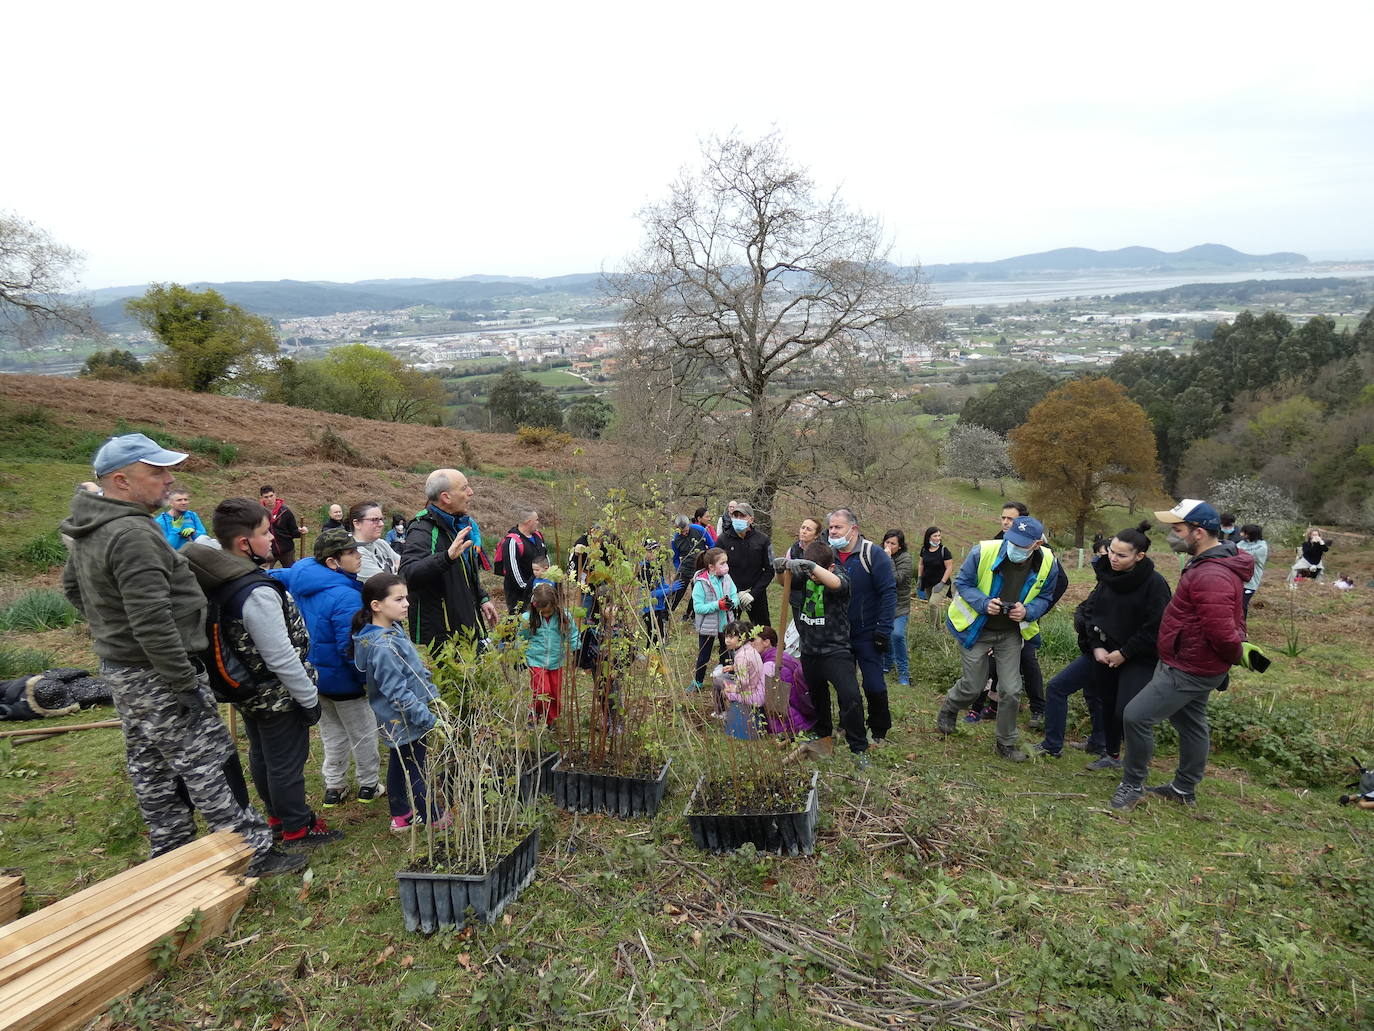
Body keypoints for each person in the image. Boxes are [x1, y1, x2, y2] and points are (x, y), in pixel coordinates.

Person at [60, 434, 302, 878]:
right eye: (156, 473)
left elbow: (75, 590)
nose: (169, 481)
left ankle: (172, 848)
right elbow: (152, 619)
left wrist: (111, 634)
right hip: (157, 670)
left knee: (149, 761)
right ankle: (250, 852)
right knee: (205, 758)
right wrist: (182, 681)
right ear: (121, 480)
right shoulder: (132, 533)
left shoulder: (88, 524)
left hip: (122, 667)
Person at [184, 500, 342, 849]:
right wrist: (308, 698)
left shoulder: (220, 575)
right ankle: (298, 828)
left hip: (248, 689)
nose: (272, 538)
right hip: (277, 693)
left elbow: (208, 543)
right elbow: (281, 655)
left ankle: (277, 817)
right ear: (244, 544)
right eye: (264, 532)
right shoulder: (255, 592)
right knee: (286, 761)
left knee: (263, 754)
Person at [1111, 499, 1254, 811]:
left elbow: (1221, 631)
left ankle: (1132, 785)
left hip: (1190, 666)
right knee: (1190, 722)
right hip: (1190, 658)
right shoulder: (1206, 564)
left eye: (1177, 530)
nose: (1172, 536)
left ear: (1198, 532)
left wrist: (1231, 656)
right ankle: (1184, 788)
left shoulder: (1211, 575)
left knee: (1136, 716)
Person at [1035, 521, 1171, 768]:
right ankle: (1103, 751)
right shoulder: (1108, 577)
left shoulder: (1155, 585)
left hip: (1138, 657)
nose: (1113, 558)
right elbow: (1091, 612)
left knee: (1124, 710)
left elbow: (1155, 627)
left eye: (1121, 555)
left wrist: (1124, 653)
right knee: (1082, 693)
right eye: (1111, 552)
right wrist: (1096, 645)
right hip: (1102, 652)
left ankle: (1127, 761)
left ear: (1139, 556)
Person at [935, 515, 1063, 762]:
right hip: (976, 628)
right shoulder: (982, 551)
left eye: (1022, 545)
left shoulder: (1049, 562)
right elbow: (963, 583)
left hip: (1010, 633)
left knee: (1011, 689)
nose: (1013, 547)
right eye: (1011, 541)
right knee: (973, 686)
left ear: (1036, 544)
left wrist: (1028, 611)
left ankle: (1005, 742)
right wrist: (984, 603)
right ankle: (950, 708)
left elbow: (1046, 597)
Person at [272, 528, 382, 808]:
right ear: (333, 562)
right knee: (363, 733)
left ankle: (334, 785)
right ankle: (369, 784)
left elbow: (273, 575)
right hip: (345, 681)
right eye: (351, 553)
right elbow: (351, 647)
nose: (359, 556)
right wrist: (365, 678)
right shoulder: (344, 596)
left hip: (315, 679)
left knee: (331, 734)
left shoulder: (302, 579)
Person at [352, 573, 450, 833]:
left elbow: (414, 672)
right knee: (416, 768)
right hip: (404, 718)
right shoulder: (383, 647)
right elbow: (398, 693)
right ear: (376, 606)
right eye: (398, 599)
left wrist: (432, 696)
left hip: (404, 716)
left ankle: (400, 815)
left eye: (406, 597)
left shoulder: (392, 629)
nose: (407, 603)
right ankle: (433, 816)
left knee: (399, 761)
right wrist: (427, 718)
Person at [776, 542, 869, 762]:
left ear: (831, 566)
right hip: (810, 650)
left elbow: (836, 584)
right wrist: (780, 570)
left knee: (850, 697)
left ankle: (859, 747)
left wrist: (813, 567)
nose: (813, 577)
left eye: (817, 571)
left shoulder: (840, 578)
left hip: (835, 651)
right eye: (810, 572)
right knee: (818, 695)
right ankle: (823, 731)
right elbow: (784, 583)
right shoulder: (806, 577)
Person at [397, 468, 499, 650]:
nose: (471, 492)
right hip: (445, 636)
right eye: (464, 488)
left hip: (466, 624)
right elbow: (407, 574)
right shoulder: (423, 530)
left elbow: (465, 571)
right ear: (446, 497)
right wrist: (446, 557)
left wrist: (482, 597)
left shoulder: (460, 524)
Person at [825, 509, 895, 746]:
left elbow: (888, 594)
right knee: (846, 686)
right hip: (838, 634)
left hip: (868, 632)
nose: (833, 532)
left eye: (838, 527)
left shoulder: (873, 555)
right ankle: (848, 725)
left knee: (873, 684)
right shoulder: (828, 556)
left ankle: (879, 729)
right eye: (831, 527)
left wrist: (883, 630)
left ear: (853, 529)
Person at [520, 582, 580, 724]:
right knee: (542, 690)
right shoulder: (528, 619)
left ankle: (552, 720)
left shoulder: (563, 616)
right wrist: (519, 655)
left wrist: (577, 650)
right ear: (535, 606)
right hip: (535, 661)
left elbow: (572, 634)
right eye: (543, 612)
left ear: (555, 604)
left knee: (555, 693)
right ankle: (535, 711)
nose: (546, 614)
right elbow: (521, 637)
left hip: (556, 661)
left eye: (549, 611)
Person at [690, 547, 739, 693]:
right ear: (711, 567)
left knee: (727, 653)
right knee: (704, 655)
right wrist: (717, 605)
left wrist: (732, 603)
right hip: (708, 626)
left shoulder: (727, 578)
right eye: (722, 563)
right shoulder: (701, 583)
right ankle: (698, 681)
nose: (726, 566)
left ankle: (726, 678)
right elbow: (698, 608)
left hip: (726, 624)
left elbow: (734, 595)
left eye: (726, 562)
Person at [717, 501, 774, 627]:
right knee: (728, 633)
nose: (738, 519)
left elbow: (770, 570)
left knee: (763, 631)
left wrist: (752, 594)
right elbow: (717, 570)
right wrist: (734, 593)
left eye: (742, 516)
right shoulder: (722, 540)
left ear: (751, 519)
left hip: (755, 595)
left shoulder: (763, 540)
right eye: (735, 516)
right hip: (730, 595)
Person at [755, 626, 815, 736]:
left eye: (754, 640)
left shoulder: (771, 665)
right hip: (806, 712)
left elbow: (775, 701)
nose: (751, 644)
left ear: (766, 642)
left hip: (792, 723)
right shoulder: (780, 655)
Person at [715, 620, 766, 736]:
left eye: (732, 637)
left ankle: (722, 713)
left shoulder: (741, 656)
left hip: (749, 690)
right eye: (726, 636)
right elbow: (749, 667)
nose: (727, 640)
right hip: (756, 684)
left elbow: (743, 682)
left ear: (742, 638)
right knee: (725, 678)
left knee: (718, 681)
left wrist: (733, 689)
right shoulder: (749, 649)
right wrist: (733, 667)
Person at [498, 508, 548, 614]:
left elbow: (545, 558)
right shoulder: (511, 542)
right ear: (528, 522)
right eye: (536, 520)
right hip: (519, 597)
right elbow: (513, 573)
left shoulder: (538, 536)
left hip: (541, 593)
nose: (538, 523)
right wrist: (532, 588)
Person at [881, 530, 912, 686]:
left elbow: (896, 579)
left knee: (897, 635)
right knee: (883, 634)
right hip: (883, 604)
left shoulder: (906, 559)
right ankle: (887, 663)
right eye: (887, 542)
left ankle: (904, 673)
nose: (889, 546)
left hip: (900, 605)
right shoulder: (879, 554)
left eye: (893, 543)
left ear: (900, 546)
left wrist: (889, 559)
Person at [782, 517, 824, 620]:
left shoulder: (823, 551)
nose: (804, 531)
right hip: (796, 597)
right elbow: (787, 575)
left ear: (816, 535)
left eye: (809, 529)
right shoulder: (793, 549)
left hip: (816, 599)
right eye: (803, 528)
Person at [349, 500, 400, 581]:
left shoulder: (381, 543)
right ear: (357, 523)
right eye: (374, 520)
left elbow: (405, 564)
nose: (381, 524)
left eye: (381, 519)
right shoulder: (354, 552)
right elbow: (385, 583)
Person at [670, 516, 710, 615]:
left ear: (689, 525)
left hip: (701, 567)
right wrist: (678, 569)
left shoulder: (700, 530)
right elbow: (675, 558)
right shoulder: (675, 539)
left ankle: (690, 615)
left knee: (697, 593)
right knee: (676, 590)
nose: (684, 533)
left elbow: (712, 544)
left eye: (686, 530)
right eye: (681, 532)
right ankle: (667, 613)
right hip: (685, 567)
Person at [259, 485, 306, 569]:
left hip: (287, 550)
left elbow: (293, 531)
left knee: (291, 573)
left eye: (271, 496)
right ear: (262, 498)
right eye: (266, 497)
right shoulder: (258, 513)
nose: (269, 499)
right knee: (265, 574)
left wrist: (301, 531)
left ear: (275, 495)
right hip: (268, 550)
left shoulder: (285, 512)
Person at [155, 486, 207, 552]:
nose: (183, 503)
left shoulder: (192, 515)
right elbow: (166, 548)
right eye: (179, 500)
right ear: (171, 503)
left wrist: (194, 532)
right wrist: (176, 529)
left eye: (186, 499)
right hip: (175, 558)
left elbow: (204, 539)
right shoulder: (161, 521)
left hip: (193, 556)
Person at [1236, 524, 1268, 616]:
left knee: (1242, 605)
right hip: (1238, 580)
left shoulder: (1261, 547)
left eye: (1244, 532)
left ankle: (1241, 628)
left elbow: (1244, 558)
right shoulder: (1241, 543)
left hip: (1251, 582)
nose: (1241, 534)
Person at [916, 527, 954, 606]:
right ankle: (936, 619)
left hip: (941, 582)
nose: (938, 538)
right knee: (931, 604)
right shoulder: (924, 549)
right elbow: (921, 564)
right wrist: (919, 578)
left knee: (933, 603)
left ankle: (934, 619)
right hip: (928, 581)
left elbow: (949, 568)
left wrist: (942, 583)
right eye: (935, 536)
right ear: (929, 537)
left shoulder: (944, 550)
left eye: (939, 535)